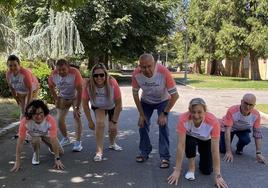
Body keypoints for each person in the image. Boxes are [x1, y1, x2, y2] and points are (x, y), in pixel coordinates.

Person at [167, 98, 228, 188]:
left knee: (207, 171)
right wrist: (177, 170)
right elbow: (181, 146)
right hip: (190, 138)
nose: (196, 115)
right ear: (189, 111)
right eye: (193, 112)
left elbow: (215, 150)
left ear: (205, 111)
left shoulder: (213, 122)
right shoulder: (183, 119)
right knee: (189, 143)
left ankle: (202, 156)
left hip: (205, 140)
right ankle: (191, 168)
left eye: (199, 112)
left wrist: (217, 175)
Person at [132, 53, 179, 168]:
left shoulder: (164, 72)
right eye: (143, 67)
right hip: (146, 101)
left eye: (149, 66)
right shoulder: (136, 74)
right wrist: (141, 115)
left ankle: (165, 157)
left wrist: (164, 113)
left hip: (163, 100)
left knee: (163, 125)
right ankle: (144, 152)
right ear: (139, 66)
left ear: (154, 64)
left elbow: (175, 96)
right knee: (142, 125)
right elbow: (135, 95)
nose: (147, 70)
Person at [82, 63, 122, 162]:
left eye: (101, 75)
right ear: (92, 76)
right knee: (100, 123)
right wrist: (90, 121)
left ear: (105, 75)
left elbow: (119, 104)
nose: (99, 77)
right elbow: (85, 104)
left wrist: (114, 121)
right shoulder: (88, 85)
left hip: (112, 106)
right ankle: (99, 151)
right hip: (98, 106)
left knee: (113, 128)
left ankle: (112, 143)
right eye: (95, 75)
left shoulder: (112, 82)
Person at [10, 100, 64, 172]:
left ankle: (51, 148)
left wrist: (57, 159)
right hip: (34, 136)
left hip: (47, 135)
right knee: (36, 140)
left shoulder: (50, 120)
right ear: (30, 114)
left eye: (41, 113)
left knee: (60, 153)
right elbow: (20, 142)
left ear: (44, 112)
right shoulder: (25, 121)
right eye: (35, 114)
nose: (38, 116)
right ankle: (36, 153)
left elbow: (53, 139)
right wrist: (17, 161)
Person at [219, 93, 267, 164]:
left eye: (251, 105)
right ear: (241, 101)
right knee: (223, 150)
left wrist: (258, 153)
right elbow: (227, 131)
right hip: (230, 128)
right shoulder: (232, 110)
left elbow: (257, 134)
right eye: (246, 103)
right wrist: (228, 151)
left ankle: (239, 147)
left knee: (246, 140)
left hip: (243, 129)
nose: (247, 107)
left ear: (254, 105)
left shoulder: (256, 115)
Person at [48, 59, 83, 152]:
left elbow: (80, 90)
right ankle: (66, 138)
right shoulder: (53, 74)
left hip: (75, 96)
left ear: (68, 68)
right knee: (59, 119)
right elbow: (51, 86)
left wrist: (77, 107)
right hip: (63, 97)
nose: (61, 72)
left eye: (63, 69)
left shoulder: (75, 73)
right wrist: (56, 99)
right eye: (59, 70)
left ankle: (78, 142)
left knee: (77, 116)